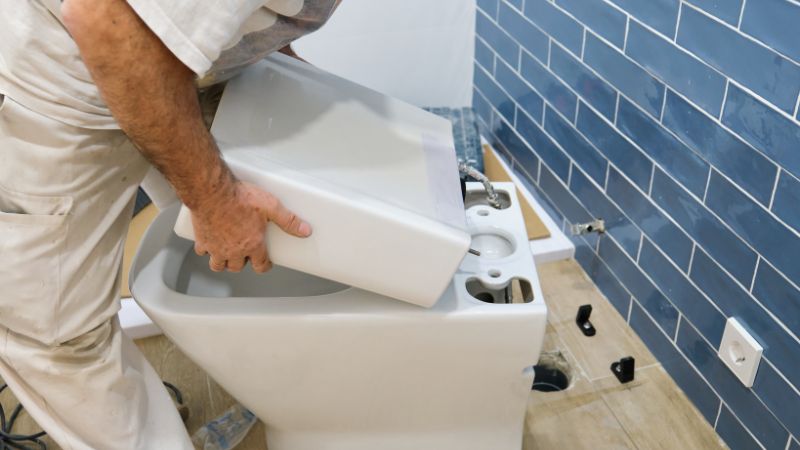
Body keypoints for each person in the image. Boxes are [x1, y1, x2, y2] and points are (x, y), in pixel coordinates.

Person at [0, 0, 339, 448]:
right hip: (57, 82)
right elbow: (102, 18)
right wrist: (215, 200)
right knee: (57, 339)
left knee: (261, 240)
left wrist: (283, 70)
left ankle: (290, 394)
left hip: (162, 64)